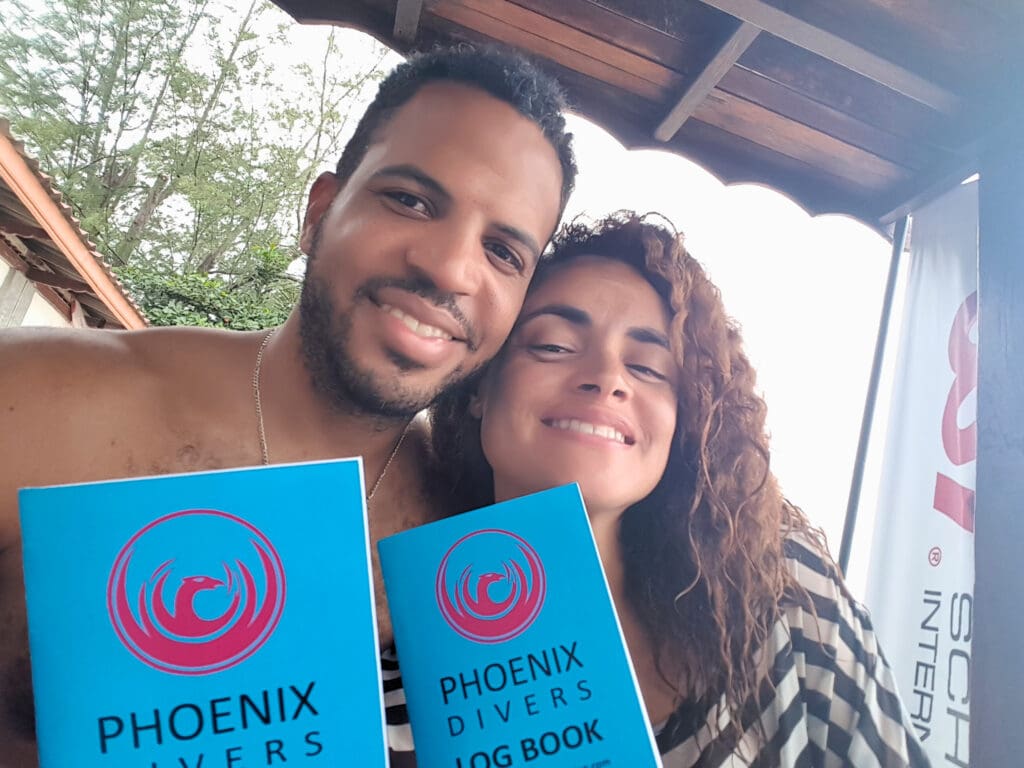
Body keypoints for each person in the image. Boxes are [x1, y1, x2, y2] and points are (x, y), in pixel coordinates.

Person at [0, 45, 576, 765]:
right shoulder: (36, 400)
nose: (450, 268)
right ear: (321, 211)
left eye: (504, 252)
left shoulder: (468, 542)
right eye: (411, 200)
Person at [417, 212, 930, 766]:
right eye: (555, 345)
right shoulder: (401, 631)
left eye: (648, 367)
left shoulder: (780, 588)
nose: (608, 377)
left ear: (681, 420)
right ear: (478, 388)